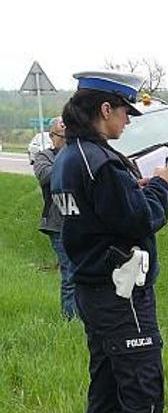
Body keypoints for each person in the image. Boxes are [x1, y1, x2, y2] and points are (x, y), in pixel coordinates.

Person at [52, 71, 168, 413]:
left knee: (105, 391)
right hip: (122, 295)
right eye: (125, 112)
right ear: (105, 109)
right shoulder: (101, 163)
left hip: (93, 290)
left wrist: (130, 191)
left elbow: (99, 212)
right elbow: (140, 220)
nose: (127, 121)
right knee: (142, 395)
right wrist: (160, 184)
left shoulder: (71, 156)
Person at [34, 116, 77, 319]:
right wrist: (68, 155)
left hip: (81, 222)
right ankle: (69, 319)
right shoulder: (44, 157)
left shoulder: (78, 155)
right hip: (57, 225)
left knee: (84, 272)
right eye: (62, 132)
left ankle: (84, 315)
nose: (66, 136)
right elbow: (47, 177)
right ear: (52, 136)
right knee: (70, 272)